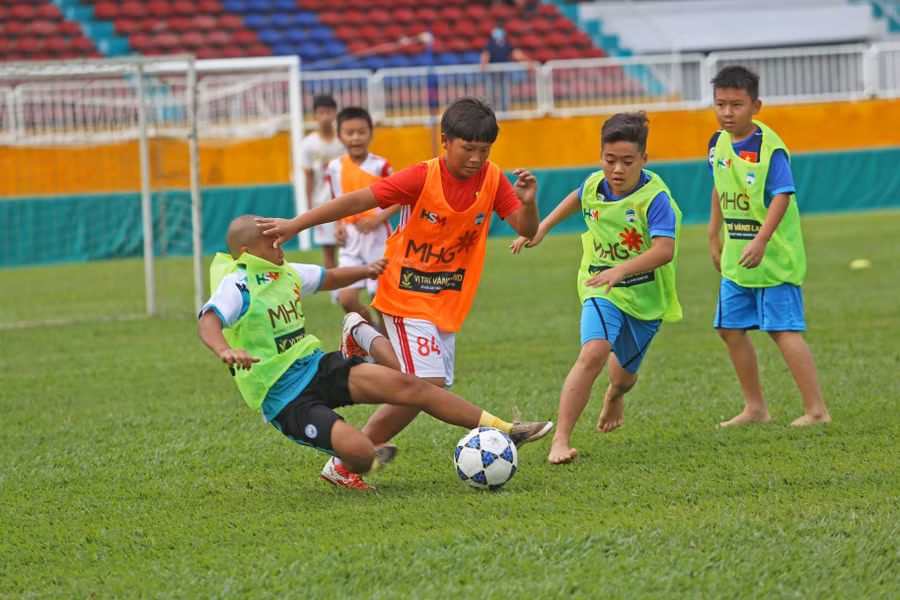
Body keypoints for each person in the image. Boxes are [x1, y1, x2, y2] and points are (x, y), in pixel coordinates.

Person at [257, 97, 544, 488]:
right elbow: (358, 200)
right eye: (468, 148)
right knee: (425, 385)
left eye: (484, 150)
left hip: (447, 299)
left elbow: (525, 230)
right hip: (405, 290)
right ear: (445, 141)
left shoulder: (493, 179)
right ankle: (504, 429)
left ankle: (359, 340)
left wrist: (528, 204)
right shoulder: (421, 177)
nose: (476, 158)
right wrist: (297, 224)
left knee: (424, 389)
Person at [197, 215, 554, 489]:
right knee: (359, 451)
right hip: (286, 399)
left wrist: (366, 270)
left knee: (412, 387)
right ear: (246, 252)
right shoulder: (238, 283)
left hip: (317, 367)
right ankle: (360, 461)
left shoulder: (285, 272)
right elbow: (209, 319)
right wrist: (225, 349)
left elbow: (329, 278)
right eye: (271, 241)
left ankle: (508, 430)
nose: (280, 244)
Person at [510, 112, 682, 464]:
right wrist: (541, 227)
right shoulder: (594, 184)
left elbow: (665, 250)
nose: (617, 169)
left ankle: (615, 394)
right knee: (593, 354)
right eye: (609, 160)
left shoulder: (654, 198)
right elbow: (578, 197)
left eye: (627, 162)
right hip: (598, 285)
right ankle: (560, 439)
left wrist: (622, 270)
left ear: (644, 160)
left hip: (645, 296)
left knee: (623, 376)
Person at [707, 66, 830, 427]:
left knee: (781, 330)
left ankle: (817, 410)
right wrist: (713, 233)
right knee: (729, 329)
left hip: (773, 256)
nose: (727, 112)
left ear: (756, 106)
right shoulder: (717, 142)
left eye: (737, 105)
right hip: (738, 257)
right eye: (720, 104)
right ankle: (755, 408)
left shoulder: (769, 148)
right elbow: (718, 183)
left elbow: (781, 196)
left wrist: (761, 239)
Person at [324, 106, 398, 331]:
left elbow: (399, 198)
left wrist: (377, 219)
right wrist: (338, 225)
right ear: (339, 136)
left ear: (370, 134)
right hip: (351, 237)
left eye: (361, 131)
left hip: (377, 237)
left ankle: (386, 351)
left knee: (381, 302)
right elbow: (337, 200)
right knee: (346, 299)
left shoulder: (381, 165)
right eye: (349, 132)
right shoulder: (334, 167)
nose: (356, 137)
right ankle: (373, 332)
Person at [299, 94, 344, 276]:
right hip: (322, 202)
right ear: (315, 115)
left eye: (329, 112)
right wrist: (310, 206)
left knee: (351, 246)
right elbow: (308, 176)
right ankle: (335, 291)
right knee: (329, 248)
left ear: (335, 113)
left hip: (347, 200)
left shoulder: (344, 139)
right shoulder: (308, 144)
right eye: (321, 112)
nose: (325, 116)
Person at [479, 24, 534, 112]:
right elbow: (486, 54)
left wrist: (527, 61)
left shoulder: (506, 43)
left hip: (503, 72)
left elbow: (516, 53)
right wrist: (483, 65)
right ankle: (489, 112)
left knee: (504, 92)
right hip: (492, 72)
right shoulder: (490, 42)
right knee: (490, 93)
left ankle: (505, 111)